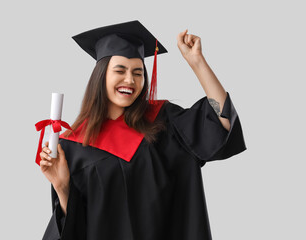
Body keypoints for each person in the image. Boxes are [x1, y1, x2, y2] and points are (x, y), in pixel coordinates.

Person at [37, 20, 246, 240]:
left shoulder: (165, 121)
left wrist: (197, 62)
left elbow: (223, 125)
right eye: (120, 70)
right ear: (101, 75)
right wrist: (61, 187)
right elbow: (74, 229)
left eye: (138, 72)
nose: (130, 79)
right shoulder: (72, 147)